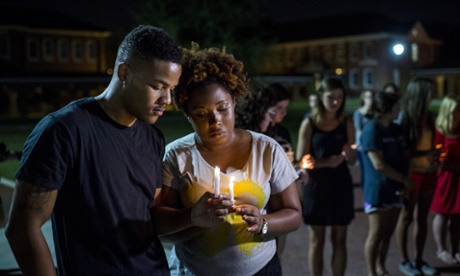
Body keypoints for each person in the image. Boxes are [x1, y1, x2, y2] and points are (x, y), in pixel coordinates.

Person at [5, 25, 182, 275]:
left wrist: (195, 216)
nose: (167, 100)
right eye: (158, 86)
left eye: (171, 89)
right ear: (124, 73)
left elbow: (151, 218)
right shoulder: (64, 129)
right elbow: (23, 228)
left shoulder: (153, 137)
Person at [153, 43, 302, 276]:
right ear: (187, 115)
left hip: (261, 270)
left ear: (234, 102)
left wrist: (262, 222)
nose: (216, 121)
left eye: (222, 108)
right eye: (201, 114)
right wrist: (194, 217)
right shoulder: (177, 155)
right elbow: (160, 225)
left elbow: (294, 214)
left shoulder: (266, 149)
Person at [296, 77, 357, 276]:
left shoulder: (346, 122)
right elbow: (300, 160)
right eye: (331, 97)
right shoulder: (310, 123)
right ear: (321, 97)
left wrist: (350, 155)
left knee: (340, 238)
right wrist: (324, 162)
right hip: (317, 185)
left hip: (341, 184)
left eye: (339, 98)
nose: (335, 102)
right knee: (317, 240)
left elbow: (353, 157)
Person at [360, 92, 412, 276]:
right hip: (378, 189)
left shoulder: (396, 129)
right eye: (397, 106)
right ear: (387, 109)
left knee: (388, 232)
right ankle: (371, 272)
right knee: (376, 234)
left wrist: (404, 183)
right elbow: (379, 165)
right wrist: (404, 180)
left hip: (395, 189)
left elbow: (405, 157)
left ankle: (381, 268)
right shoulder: (372, 130)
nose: (400, 109)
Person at [395, 77, 438, 275]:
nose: (432, 95)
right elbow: (403, 152)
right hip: (412, 174)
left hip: (429, 171)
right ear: (420, 94)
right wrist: (426, 154)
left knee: (422, 218)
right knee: (406, 218)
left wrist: (435, 154)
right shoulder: (406, 118)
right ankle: (404, 260)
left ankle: (420, 259)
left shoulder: (429, 116)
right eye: (429, 92)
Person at [430, 94, 460, 265]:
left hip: (459, 175)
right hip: (447, 176)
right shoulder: (441, 129)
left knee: (457, 215)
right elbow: (436, 153)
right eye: (455, 109)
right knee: (443, 213)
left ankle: (456, 249)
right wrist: (443, 160)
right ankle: (441, 249)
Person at [352, 89, 374, 186]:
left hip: (373, 146)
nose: (371, 99)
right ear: (363, 99)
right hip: (362, 147)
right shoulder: (359, 113)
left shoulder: (374, 113)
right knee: (365, 170)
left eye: (372, 97)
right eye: (368, 97)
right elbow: (358, 130)